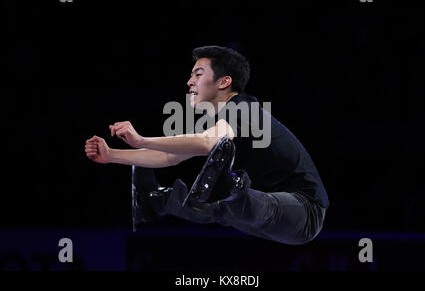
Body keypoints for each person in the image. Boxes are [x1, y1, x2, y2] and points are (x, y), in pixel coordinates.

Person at [85, 46, 329, 245]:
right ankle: (157, 201)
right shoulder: (224, 119)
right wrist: (111, 155)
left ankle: (233, 187)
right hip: (261, 221)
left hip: (303, 211)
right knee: (212, 206)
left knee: (232, 200)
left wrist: (140, 140)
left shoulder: (245, 108)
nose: (190, 81)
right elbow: (170, 157)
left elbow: (207, 143)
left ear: (223, 82)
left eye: (198, 74)